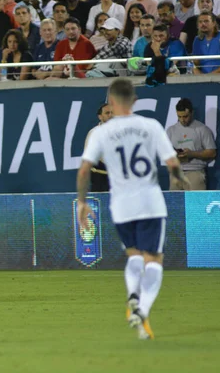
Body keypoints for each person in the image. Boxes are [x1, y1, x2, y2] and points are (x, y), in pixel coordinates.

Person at [77, 78, 189, 340]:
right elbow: (171, 161)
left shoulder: (101, 132)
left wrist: (82, 202)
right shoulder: (150, 126)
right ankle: (143, 309)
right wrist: (177, 176)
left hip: (121, 204)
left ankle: (132, 296)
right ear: (135, 101)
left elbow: (84, 170)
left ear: (111, 103)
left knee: (134, 256)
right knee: (154, 260)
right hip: (149, 201)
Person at [166, 98, 217, 190]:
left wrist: (192, 154)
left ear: (192, 113)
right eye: (179, 116)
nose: (182, 120)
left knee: (196, 204)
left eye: (185, 116)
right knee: (175, 204)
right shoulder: (171, 130)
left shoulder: (202, 129)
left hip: (195, 173)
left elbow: (212, 153)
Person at [84, 103, 112, 192]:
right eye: (107, 113)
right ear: (100, 116)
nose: (111, 115)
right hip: (101, 177)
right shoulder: (94, 133)